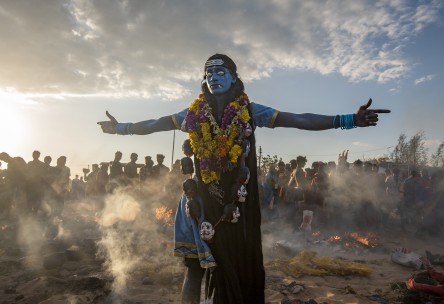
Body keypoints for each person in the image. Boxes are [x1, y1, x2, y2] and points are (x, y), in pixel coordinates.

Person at [98, 53, 390, 304]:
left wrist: (348, 120)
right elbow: (156, 123)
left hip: (237, 207)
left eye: (220, 71)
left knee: (237, 266)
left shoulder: (249, 111)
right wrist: (122, 128)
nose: (213, 77)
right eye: (208, 73)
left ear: (234, 77)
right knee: (196, 268)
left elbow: (298, 119)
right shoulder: (192, 114)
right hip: (201, 201)